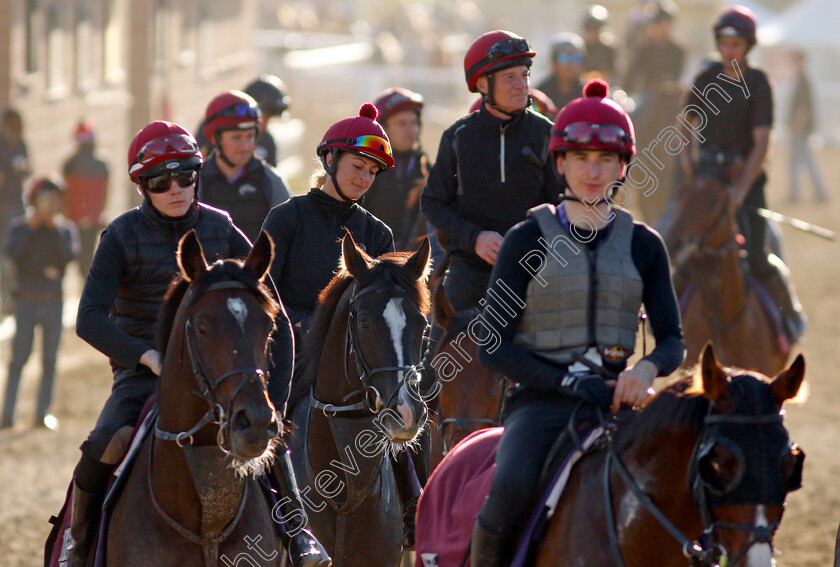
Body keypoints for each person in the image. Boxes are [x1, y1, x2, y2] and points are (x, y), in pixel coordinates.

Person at [66, 121, 327, 567]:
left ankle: (298, 534)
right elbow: (88, 318)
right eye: (159, 181)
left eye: (185, 176)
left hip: (223, 373)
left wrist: (275, 399)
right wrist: (145, 356)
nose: (175, 188)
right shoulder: (120, 236)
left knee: (270, 440)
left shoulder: (221, 227)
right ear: (142, 186)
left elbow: (277, 319)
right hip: (143, 378)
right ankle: (80, 542)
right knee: (106, 440)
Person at [471, 79, 686, 566]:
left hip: (619, 404)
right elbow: (492, 346)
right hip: (542, 406)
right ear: (561, 162)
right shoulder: (525, 240)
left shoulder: (645, 245)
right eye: (582, 158)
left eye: (606, 160)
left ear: (623, 166)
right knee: (509, 489)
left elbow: (673, 340)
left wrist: (646, 370)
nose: (594, 171)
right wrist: (564, 380)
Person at [260, 104, 423, 547]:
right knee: (262, 424)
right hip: (291, 352)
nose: (364, 178)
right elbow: (264, 293)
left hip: (357, 362)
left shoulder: (379, 234)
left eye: (372, 171)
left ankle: (416, 511)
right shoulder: (287, 218)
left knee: (408, 417)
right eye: (357, 167)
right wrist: (303, 327)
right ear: (329, 161)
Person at [678, 5, 806, 346]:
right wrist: (690, 165)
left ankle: (789, 318)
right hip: (706, 181)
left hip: (744, 183)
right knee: (674, 245)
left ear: (748, 46)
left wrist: (740, 191)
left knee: (762, 256)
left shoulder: (759, 82)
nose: (728, 49)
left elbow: (762, 143)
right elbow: (685, 124)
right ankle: (667, 328)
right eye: (724, 42)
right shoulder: (706, 77)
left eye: (735, 43)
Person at [421, 30, 563, 315]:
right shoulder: (457, 136)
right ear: (483, 85)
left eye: (524, 75)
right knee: (436, 353)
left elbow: (562, 203)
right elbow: (433, 203)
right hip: (469, 271)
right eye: (510, 77)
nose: (521, 85)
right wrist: (474, 238)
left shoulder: (547, 134)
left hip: (534, 269)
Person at [2, 176, 78, 430]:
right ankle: (8, 413)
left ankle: (41, 414)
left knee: (50, 360)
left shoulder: (65, 230)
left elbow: (69, 257)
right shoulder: (20, 227)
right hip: (26, 301)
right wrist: (34, 226)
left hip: (54, 302)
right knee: (18, 359)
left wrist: (53, 228)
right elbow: (12, 254)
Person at [198, 90, 291, 242]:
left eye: (250, 136)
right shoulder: (195, 182)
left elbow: (288, 239)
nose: (245, 146)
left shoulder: (273, 181)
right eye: (236, 138)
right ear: (215, 138)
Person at [622, 0, 685, 223]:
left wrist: (669, 86)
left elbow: (677, 77)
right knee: (631, 119)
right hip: (648, 97)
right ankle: (627, 162)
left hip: (671, 99)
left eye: (666, 23)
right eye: (659, 22)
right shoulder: (643, 49)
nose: (662, 27)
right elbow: (629, 80)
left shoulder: (678, 50)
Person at [363, 87, 430, 249]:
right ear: (383, 128)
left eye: (413, 123)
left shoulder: (426, 167)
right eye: (401, 123)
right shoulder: (368, 166)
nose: (410, 130)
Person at [62, 121, 109, 277]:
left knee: (81, 257)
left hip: (75, 218)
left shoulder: (70, 163)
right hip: (90, 218)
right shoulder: (102, 164)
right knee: (87, 256)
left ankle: (85, 286)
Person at [0, 108, 32, 316]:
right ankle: (5, 299)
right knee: (5, 252)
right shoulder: (2, 146)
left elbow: (28, 168)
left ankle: (14, 296)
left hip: (17, 202)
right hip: (4, 203)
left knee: (18, 249)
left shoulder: (21, 144)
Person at [788, 50, 829, 202]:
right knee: (806, 161)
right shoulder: (804, 78)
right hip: (803, 128)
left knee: (802, 161)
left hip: (801, 128)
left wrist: (796, 125)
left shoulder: (804, 79)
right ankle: (817, 192)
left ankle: (800, 193)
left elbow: (803, 106)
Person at [243, 74, 292, 167]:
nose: (264, 125)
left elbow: (272, 177)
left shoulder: (266, 141)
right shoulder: (221, 137)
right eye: (263, 118)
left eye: (269, 120)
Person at [535, 32, 585, 111]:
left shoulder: (587, 93)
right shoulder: (541, 93)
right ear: (554, 62)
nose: (570, 63)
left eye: (576, 57)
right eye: (564, 57)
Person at [580, 5, 617, 83]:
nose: (592, 32)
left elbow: (614, 74)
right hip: (582, 87)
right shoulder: (580, 48)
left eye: (595, 28)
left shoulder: (609, 50)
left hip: (604, 87)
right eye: (589, 28)